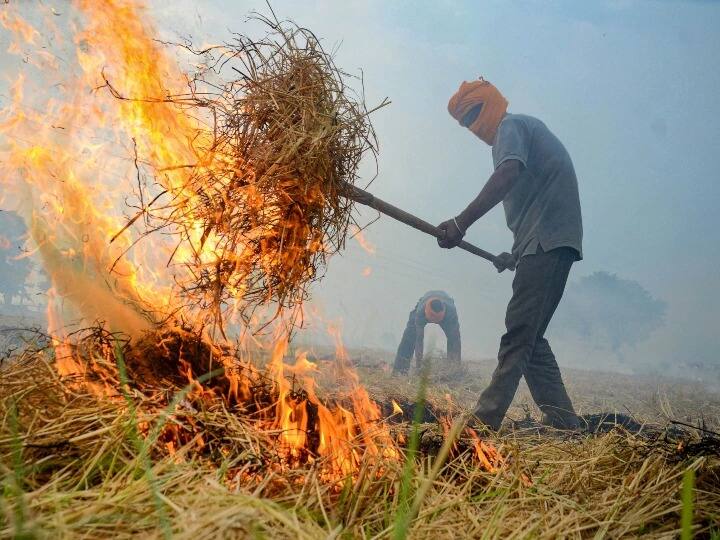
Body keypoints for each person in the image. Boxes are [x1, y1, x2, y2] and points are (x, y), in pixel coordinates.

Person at [437, 78, 582, 430]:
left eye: (473, 114)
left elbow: (508, 174)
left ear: (491, 103)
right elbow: (536, 200)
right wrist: (515, 256)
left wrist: (462, 221)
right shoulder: (516, 131)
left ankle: (484, 421)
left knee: (519, 333)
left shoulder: (510, 127)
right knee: (530, 338)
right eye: (465, 122)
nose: (473, 126)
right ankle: (564, 422)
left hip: (546, 243)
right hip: (541, 244)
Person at [393, 290, 461, 374]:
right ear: (426, 312)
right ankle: (399, 371)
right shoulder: (420, 313)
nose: (435, 322)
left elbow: (456, 342)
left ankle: (454, 372)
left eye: (437, 320)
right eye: (433, 319)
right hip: (424, 305)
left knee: (454, 341)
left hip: (446, 312)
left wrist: (455, 366)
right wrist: (419, 367)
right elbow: (419, 340)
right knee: (409, 337)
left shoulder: (450, 313)